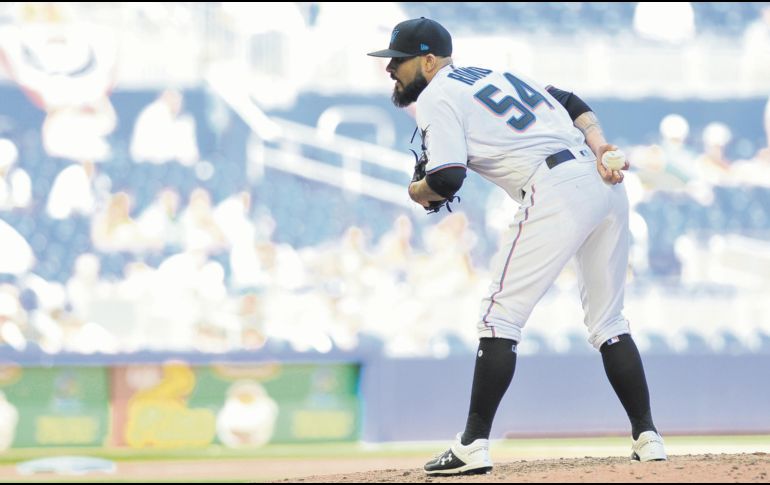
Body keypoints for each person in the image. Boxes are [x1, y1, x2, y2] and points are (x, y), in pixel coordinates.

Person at [368, 18, 666, 475]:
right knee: (609, 320)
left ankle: (472, 445)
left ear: (428, 60)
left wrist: (415, 191)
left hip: (555, 187)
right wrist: (601, 143)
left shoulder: (436, 96)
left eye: (398, 61)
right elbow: (570, 102)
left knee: (498, 314)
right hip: (601, 182)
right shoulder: (495, 75)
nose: (391, 70)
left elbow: (446, 179)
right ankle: (648, 438)